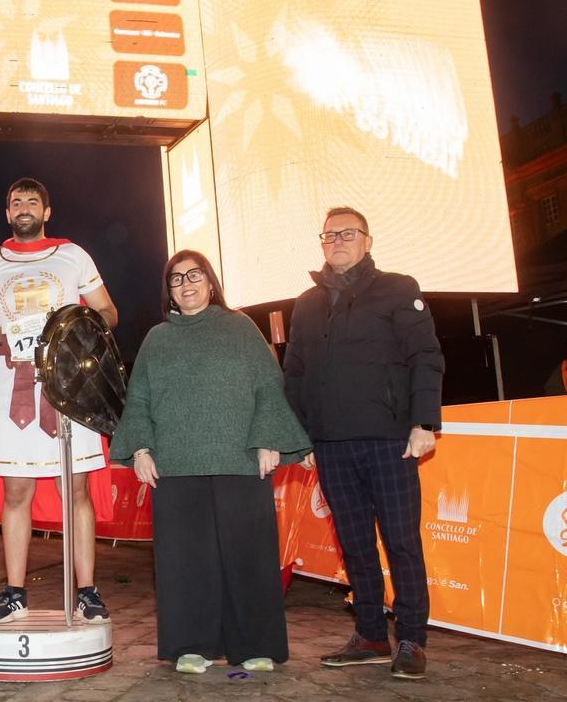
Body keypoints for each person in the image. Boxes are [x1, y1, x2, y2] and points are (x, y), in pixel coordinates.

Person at [110, 250, 311, 673]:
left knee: (249, 556)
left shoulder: (240, 327)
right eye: (176, 279)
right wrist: (142, 449)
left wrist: (268, 439)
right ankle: (191, 645)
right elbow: (139, 398)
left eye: (194, 275)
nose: (186, 284)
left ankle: (255, 644)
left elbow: (268, 385)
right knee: (185, 559)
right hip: (175, 466)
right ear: (168, 292)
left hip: (240, 459)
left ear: (211, 280)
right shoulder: (156, 339)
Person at [283, 207, 444, 681]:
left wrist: (424, 423)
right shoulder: (307, 303)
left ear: (367, 241)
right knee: (354, 545)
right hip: (331, 444)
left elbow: (425, 356)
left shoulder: (398, 288)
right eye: (328, 235)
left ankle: (411, 638)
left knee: (401, 542)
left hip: (390, 439)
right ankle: (371, 634)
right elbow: (295, 375)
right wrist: (300, 435)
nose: (336, 241)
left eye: (347, 233)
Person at [0, 177, 117, 624]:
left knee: (76, 489)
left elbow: (108, 312)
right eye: (16, 202)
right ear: (8, 214)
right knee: (15, 491)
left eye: (33, 201)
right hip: (11, 387)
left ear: (46, 211)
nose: (24, 207)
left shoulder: (73, 255)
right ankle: (14, 592)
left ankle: (87, 592)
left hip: (68, 388)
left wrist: (76, 330)